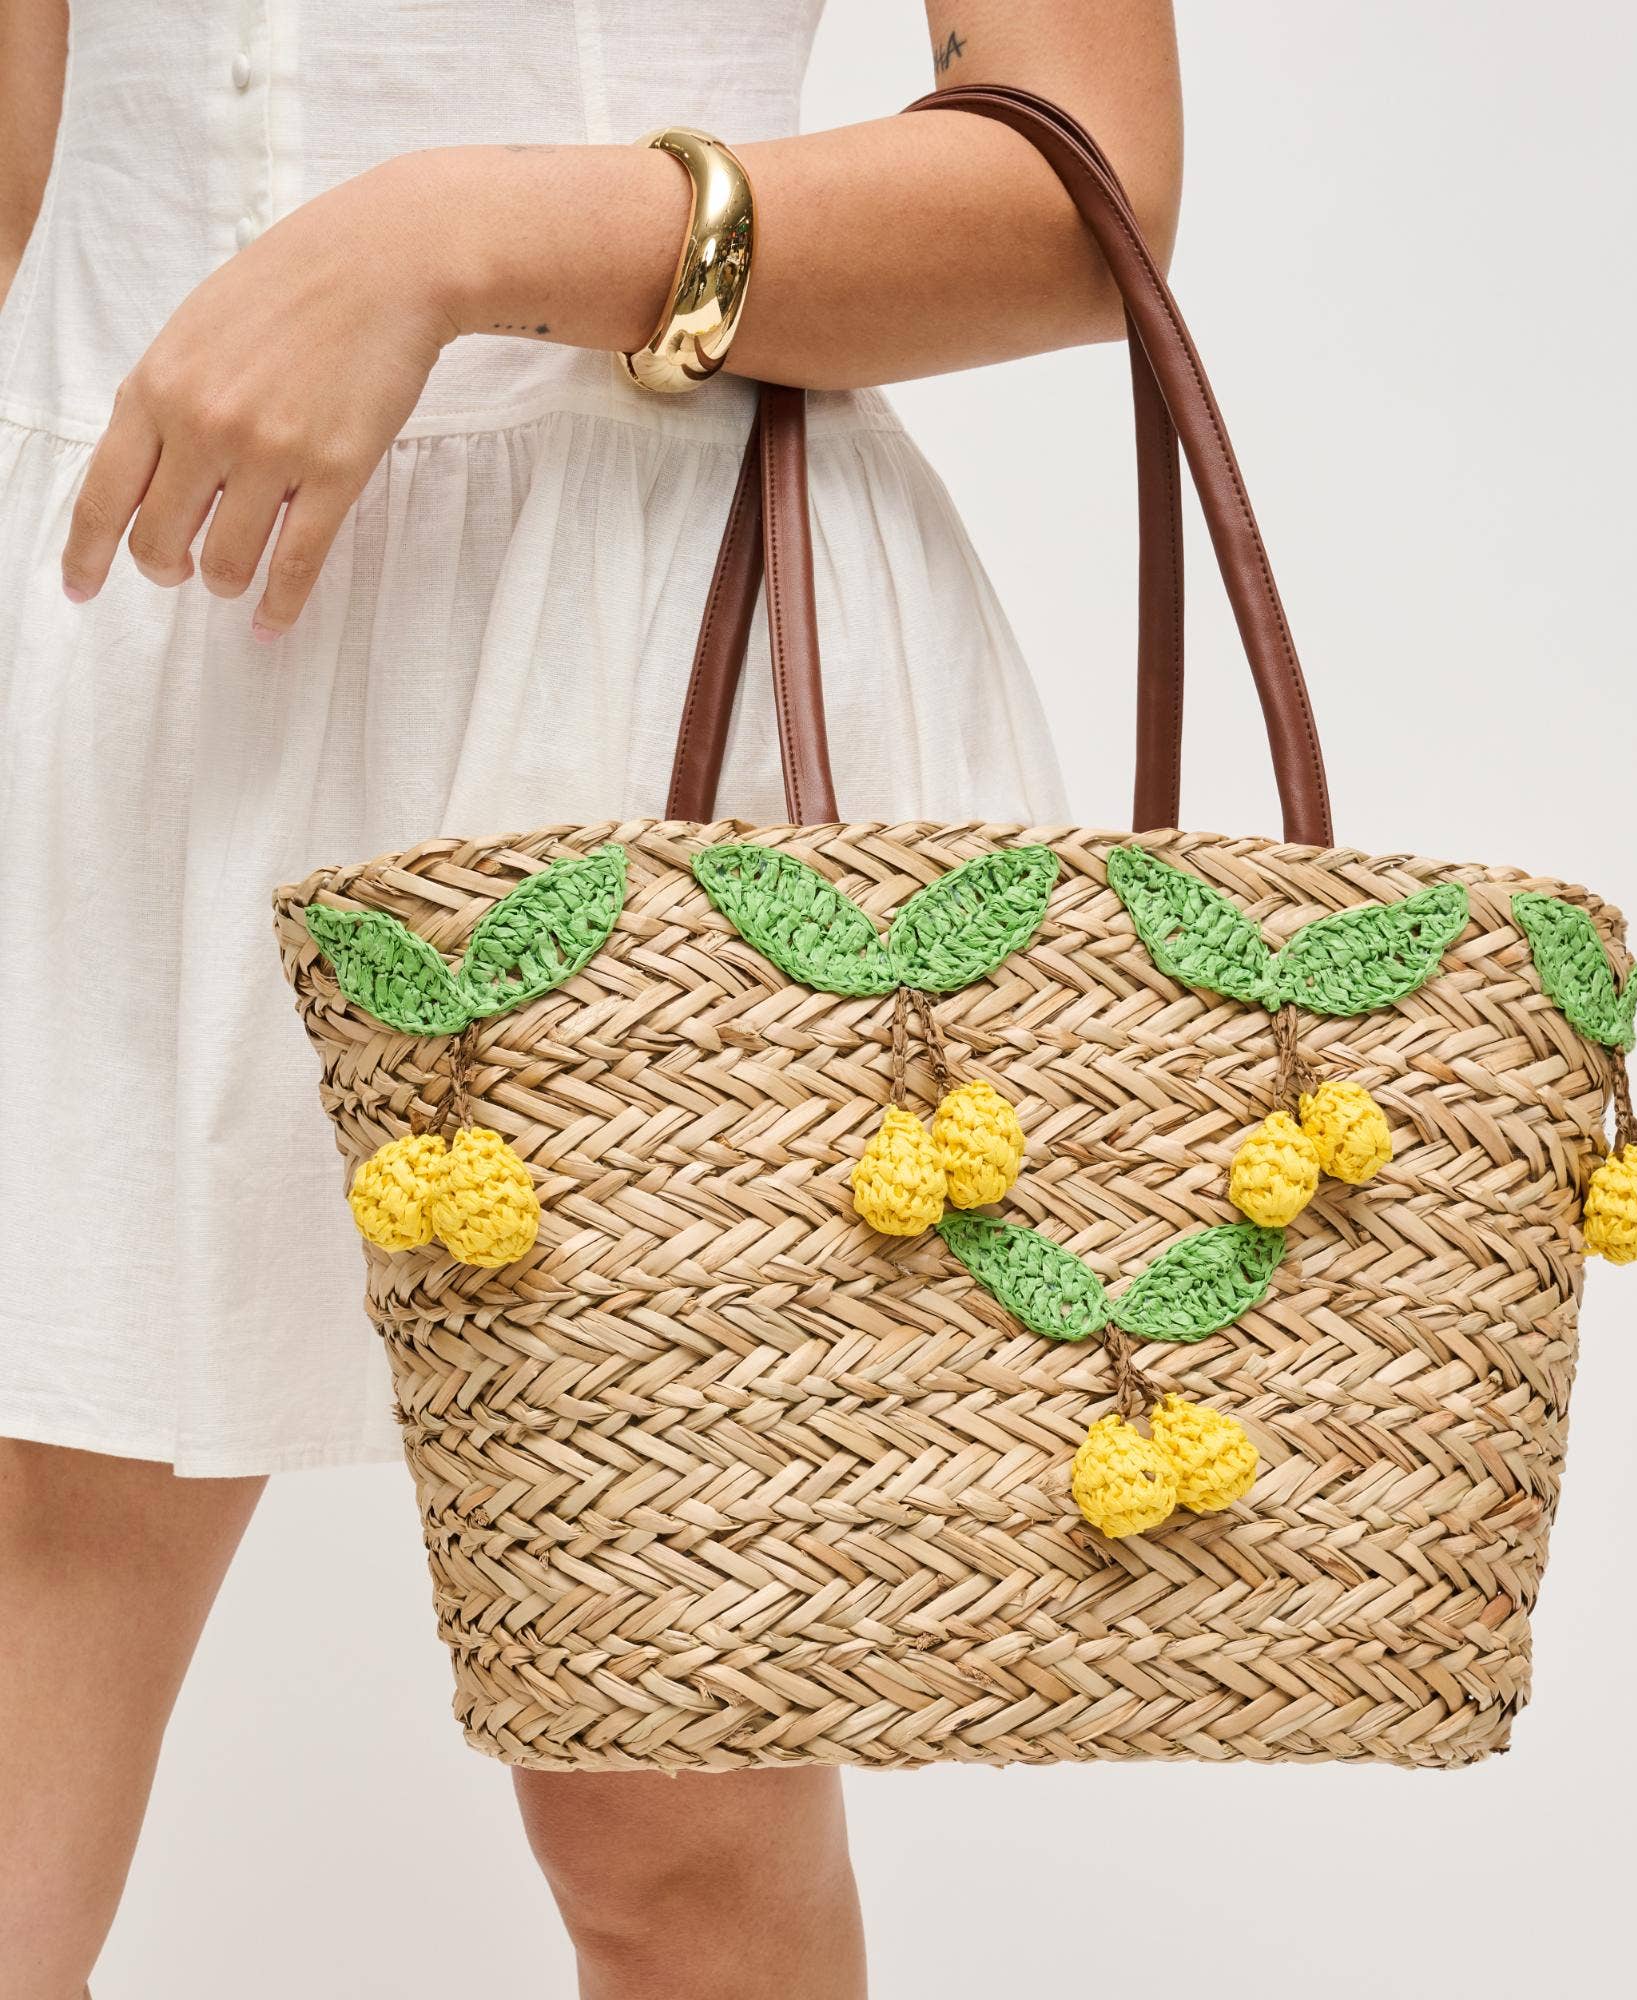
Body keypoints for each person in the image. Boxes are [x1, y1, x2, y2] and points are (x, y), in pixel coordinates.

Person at [0, 2, 1182, 1993]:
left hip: (641, 658)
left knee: (676, 1839)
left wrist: (448, 234)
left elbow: (1086, 185)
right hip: (108, 607)